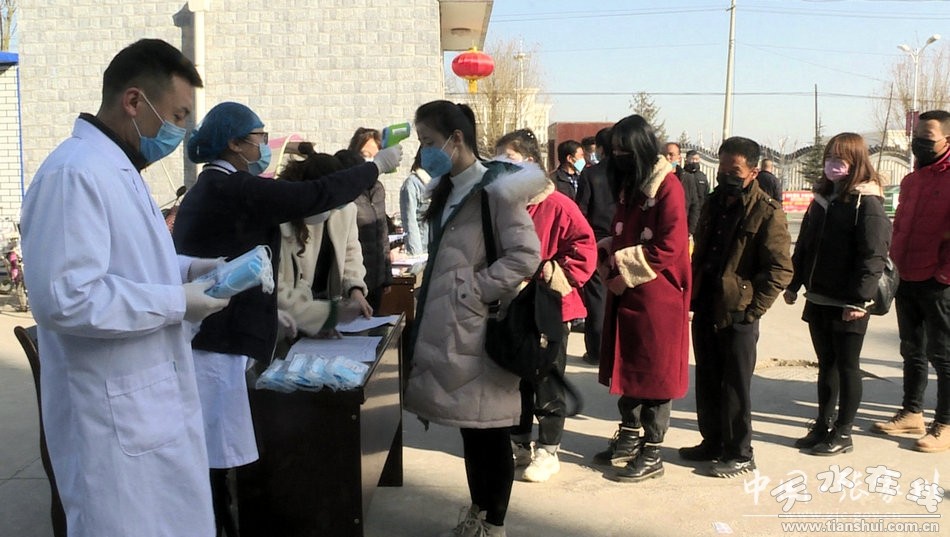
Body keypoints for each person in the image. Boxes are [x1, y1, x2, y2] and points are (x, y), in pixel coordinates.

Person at [19, 38, 229, 537]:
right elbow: (66, 299)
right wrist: (176, 302)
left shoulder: (119, 169)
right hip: (112, 429)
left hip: (148, 410)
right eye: (177, 116)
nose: (181, 132)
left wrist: (188, 270)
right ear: (134, 101)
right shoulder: (73, 173)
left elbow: (130, 265)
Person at [172, 102, 402, 534]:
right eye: (258, 137)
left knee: (219, 455)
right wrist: (373, 167)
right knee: (214, 461)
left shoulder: (220, 186)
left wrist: (270, 313)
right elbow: (310, 196)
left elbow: (239, 269)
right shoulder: (229, 186)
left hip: (224, 334)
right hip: (215, 345)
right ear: (234, 143)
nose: (263, 145)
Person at [404, 101, 544, 537]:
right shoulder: (448, 189)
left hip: (480, 329)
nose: (425, 151)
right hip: (455, 329)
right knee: (472, 429)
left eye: (429, 141)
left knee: (489, 431)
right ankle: (479, 514)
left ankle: (493, 524)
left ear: (456, 138)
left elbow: (526, 255)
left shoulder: (495, 190)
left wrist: (474, 291)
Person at [681, 136, 793, 478]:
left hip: (738, 311)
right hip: (706, 303)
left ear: (753, 172)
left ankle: (740, 452)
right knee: (708, 378)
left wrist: (753, 309)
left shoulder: (767, 211)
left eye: (735, 171)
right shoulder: (713, 202)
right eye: (723, 169)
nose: (726, 176)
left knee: (735, 385)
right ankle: (712, 441)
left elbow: (780, 269)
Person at [589, 115, 691, 483]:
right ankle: (629, 437)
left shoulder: (668, 187)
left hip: (657, 296)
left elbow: (670, 245)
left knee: (654, 375)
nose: (617, 157)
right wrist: (607, 252)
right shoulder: (629, 186)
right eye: (614, 151)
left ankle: (653, 450)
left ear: (641, 150)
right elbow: (621, 234)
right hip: (627, 292)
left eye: (624, 151)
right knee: (628, 366)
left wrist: (624, 270)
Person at [495, 128, 597, 483]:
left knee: (546, 380)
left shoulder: (558, 205)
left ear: (530, 163)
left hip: (547, 307)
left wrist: (550, 275)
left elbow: (585, 252)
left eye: (510, 160)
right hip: (510, 305)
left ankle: (549, 450)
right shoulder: (500, 204)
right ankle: (519, 443)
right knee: (514, 380)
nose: (502, 167)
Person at [784, 133, 891, 456]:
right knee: (826, 365)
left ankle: (844, 432)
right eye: (830, 156)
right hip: (818, 296)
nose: (833, 163)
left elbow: (873, 256)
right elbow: (804, 245)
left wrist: (860, 300)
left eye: (840, 158)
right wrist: (794, 283)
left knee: (847, 366)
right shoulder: (821, 199)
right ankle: (822, 424)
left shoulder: (867, 203)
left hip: (850, 302)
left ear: (856, 162)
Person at [873, 109, 950, 453]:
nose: (919, 143)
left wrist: (943, 274)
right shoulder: (912, 180)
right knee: (912, 349)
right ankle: (912, 412)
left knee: (944, 355)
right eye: (916, 136)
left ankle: (945, 423)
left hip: (939, 281)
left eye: (927, 138)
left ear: (947, 140)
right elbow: (901, 226)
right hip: (906, 276)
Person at [275, 151, 374, 341]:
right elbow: (282, 288)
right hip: (291, 315)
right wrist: (325, 316)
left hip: (313, 304)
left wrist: (354, 289)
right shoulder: (282, 223)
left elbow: (351, 251)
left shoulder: (346, 210)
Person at [576, 127, 616, 366]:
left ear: (599, 149)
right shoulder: (630, 173)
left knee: (597, 298)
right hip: (625, 239)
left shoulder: (591, 174)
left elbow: (581, 211)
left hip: (596, 241)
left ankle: (596, 351)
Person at [336, 147, 393, 310]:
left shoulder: (377, 189)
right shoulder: (345, 196)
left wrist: (387, 277)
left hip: (377, 278)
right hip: (355, 278)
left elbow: (383, 233)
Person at [400, 147, 431, 255]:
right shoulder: (412, 184)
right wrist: (417, 256)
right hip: (423, 251)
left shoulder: (441, 181)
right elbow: (410, 222)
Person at [681, 149, 709, 236]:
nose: (695, 162)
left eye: (697, 159)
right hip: (685, 215)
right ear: (687, 160)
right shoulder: (682, 176)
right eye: (693, 159)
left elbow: (706, 194)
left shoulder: (702, 177)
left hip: (700, 215)